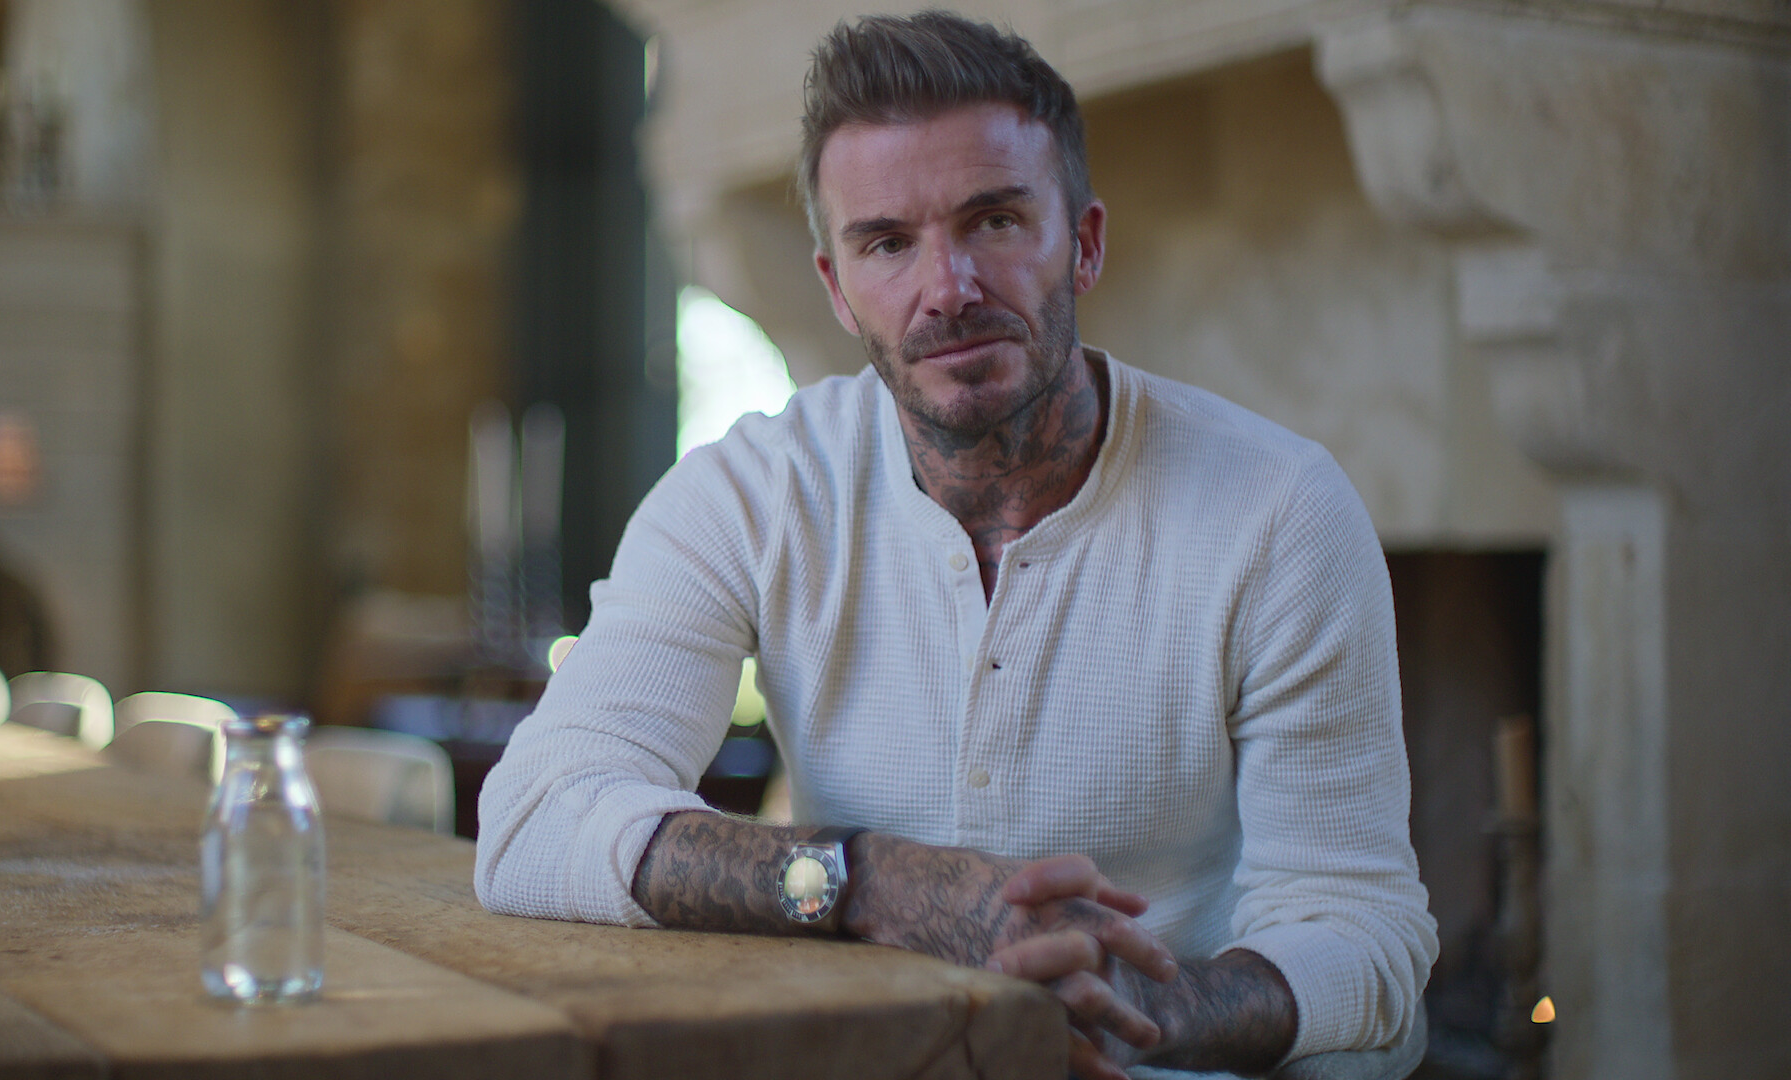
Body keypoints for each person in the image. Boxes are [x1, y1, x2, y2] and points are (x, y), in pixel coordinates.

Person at [476, 11, 1436, 1078]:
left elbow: (1362, 928)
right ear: (837, 288)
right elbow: (537, 819)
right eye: (888, 243)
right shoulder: (750, 494)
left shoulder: (1280, 510)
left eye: (995, 221)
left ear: (1085, 242)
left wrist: (1141, 1008)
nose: (949, 289)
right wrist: (875, 883)